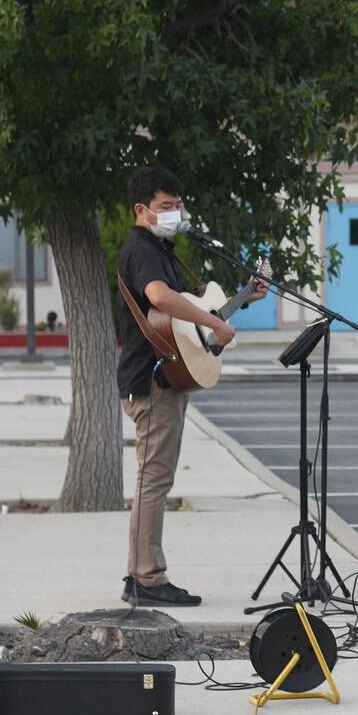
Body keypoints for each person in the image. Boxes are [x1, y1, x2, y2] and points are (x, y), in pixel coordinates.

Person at [116, 166, 267, 606]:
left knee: (154, 478)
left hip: (166, 374)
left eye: (179, 206)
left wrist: (240, 298)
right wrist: (213, 325)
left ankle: (139, 575)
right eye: (166, 207)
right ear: (142, 210)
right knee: (154, 480)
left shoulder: (161, 248)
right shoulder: (142, 249)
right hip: (152, 380)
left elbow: (187, 318)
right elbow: (161, 298)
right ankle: (147, 578)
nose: (175, 213)